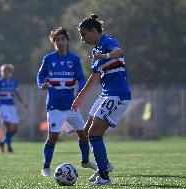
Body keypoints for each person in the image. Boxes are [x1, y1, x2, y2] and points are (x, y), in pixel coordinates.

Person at [71, 14, 131, 186]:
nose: (82, 39)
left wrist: (104, 56)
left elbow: (120, 52)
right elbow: (94, 78)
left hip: (117, 94)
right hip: (106, 93)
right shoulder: (95, 50)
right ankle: (103, 166)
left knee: (94, 134)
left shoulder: (107, 41)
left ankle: (104, 177)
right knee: (87, 129)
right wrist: (79, 98)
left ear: (93, 31)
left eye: (83, 34)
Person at [37, 27, 97, 177]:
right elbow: (40, 76)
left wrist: (80, 92)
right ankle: (46, 167)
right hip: (54, 106)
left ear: (67, 41)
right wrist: (41, 85)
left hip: (71, 105)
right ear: (54, 43)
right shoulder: (48, 59)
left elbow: (81, 78)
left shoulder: (74, 59)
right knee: (53, 137)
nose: (60, 42)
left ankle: (85, 161)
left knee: (83, 134)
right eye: (57, 40)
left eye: (63, 39)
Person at [0, 64, 27, 153]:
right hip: (2, 106)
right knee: (8, 126)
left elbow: (17, 94)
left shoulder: (14, 82)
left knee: (15, 129)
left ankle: (2, 142)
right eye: (2, 71)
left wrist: (23, 102)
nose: (3, 72)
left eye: (5, 70)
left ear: (10, 72)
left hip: (11, 107)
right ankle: (9, 148)